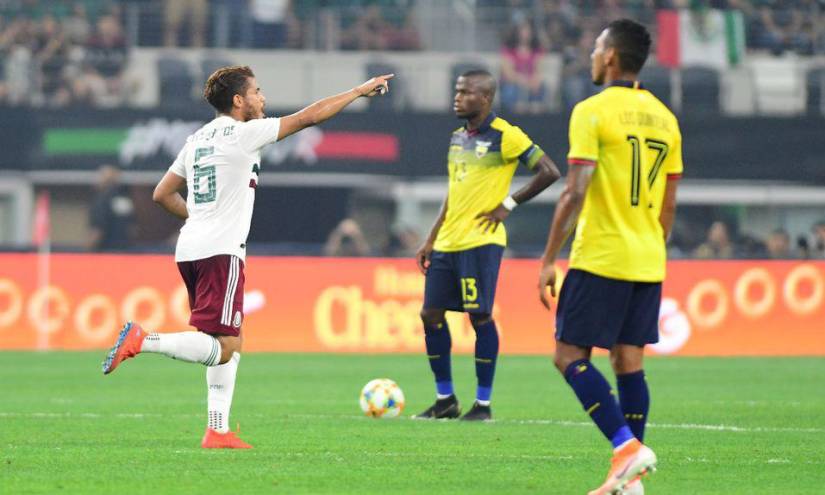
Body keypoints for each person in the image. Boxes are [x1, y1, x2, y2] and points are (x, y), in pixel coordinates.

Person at [101, 65, 394, 449]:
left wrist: (202, 215)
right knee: (222, 346)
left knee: (231, 339)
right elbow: (309, 117)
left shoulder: (197, 139)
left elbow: (162, 193)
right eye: (256, 91)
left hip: (191, 248)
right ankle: (144, 339)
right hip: (221, 251)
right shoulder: (244, 134)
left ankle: (217, 430)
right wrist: (357, 91)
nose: (262, 98)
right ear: (238, 101)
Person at [537, 19, 682, 494]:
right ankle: (631, 479)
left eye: (597, 48)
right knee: (628, 362)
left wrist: (548, 258)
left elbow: (573, 192)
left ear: (612, 57)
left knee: (567, 356)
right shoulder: (666, 118)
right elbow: (668, 204)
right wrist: (652, 247)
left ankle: (626, 447)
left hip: (602, 254)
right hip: (647, 256)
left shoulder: (592, 111)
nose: (592, 56)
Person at [415, 69, 560, 421]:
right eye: (457, 90)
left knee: (479, 316)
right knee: (430, 314)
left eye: (465, 92)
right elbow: (455, 191)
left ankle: (482, 404)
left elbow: (549, 171)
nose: (457, 97)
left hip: (482, 241)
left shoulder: (506, 136)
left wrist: (508, 205)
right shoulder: (456, 138)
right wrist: (432, 237)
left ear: (485, 98)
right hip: (449, 241)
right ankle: (445, 400)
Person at [88, 164, 135, 251]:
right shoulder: (125, 199)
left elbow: (97, 232)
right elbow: (133, 230)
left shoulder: (102, 200)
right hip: (126, 253)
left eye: (100, 176)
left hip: (106, 254)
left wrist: (87, 253)